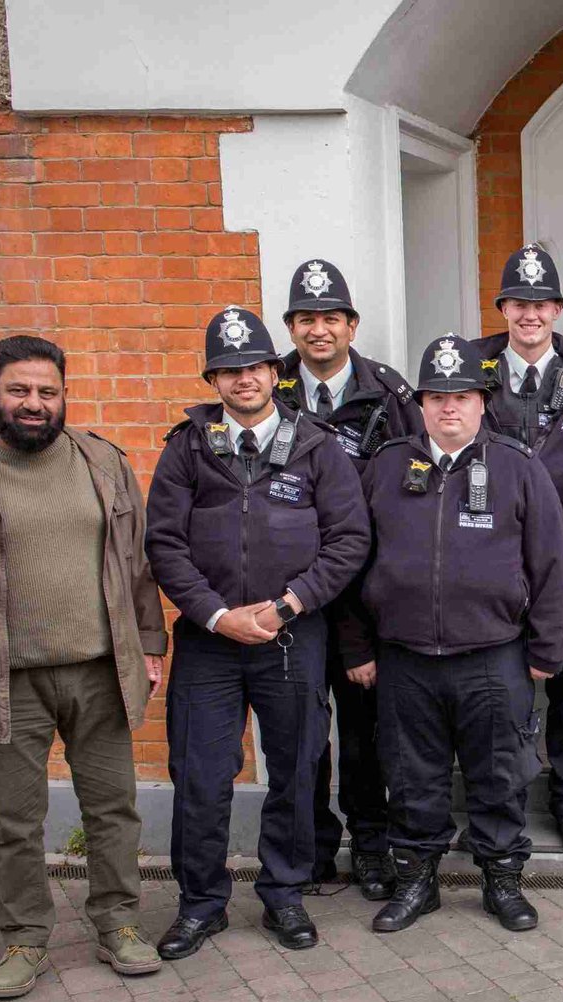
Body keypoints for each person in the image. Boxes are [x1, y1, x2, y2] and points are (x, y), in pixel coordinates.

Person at [0, 336, 168, 999]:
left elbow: (136, 564)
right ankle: (24, 936)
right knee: (15, 820)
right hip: (4, 678)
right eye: (19, 390)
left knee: (114, 809)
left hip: (99, 672)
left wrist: (150, 642)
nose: (34, 403)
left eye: (48, 391)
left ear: (65, 395)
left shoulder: (104, 463)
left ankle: (118, 923)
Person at [145, 306, 369, 956]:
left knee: (296, 771)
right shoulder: (187, 448)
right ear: (213, 380)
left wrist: (288, 606)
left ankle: (285, 896)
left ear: (275, 372)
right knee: (201, 775)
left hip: (292, 638)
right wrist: (218, 615)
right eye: (229, 370)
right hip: (209, 643)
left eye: (255, 367)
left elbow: (349, 540)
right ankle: (200, 905)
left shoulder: (317, 446)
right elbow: (164, 544)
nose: (243, 379)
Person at [343, 334, 563, 934]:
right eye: (437, 396)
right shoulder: (386, 467)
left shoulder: (517, 467)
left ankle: (502, 882)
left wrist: (547, 646)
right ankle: (418, 883)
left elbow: (551, 563)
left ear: (482, 402)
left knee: (499, 775)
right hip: (404, 657)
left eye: (462, 396)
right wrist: (358, 646)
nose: (450, 407)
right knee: (411, 777)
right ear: (420, 403)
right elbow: (353, 561)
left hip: (493, 655)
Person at [275, 257, 421, 898]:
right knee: (301, 733)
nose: (319, 330)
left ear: (352, 325)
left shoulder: (389, 395)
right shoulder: (267, 389)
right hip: (291, 596)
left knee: (366, 735)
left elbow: (415, 484)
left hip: (364, 594)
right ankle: (311, 846)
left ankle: (370, 843)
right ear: (291, 327)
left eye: (331, 317)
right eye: (306, 319)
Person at [477, 243, 563, 854]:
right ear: (503, 308)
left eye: (541, 304)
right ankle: (497, 801)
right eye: (519, 302)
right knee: (492, 672)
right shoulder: (473, 370)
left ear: (558, 310)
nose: (529, 314)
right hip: (489, 547)